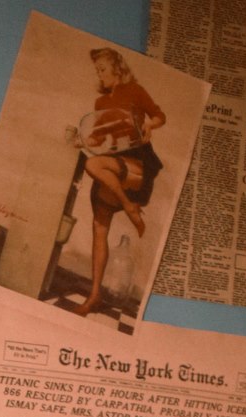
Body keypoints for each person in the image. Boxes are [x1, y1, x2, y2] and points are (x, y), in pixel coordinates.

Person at [72, 46, 165, 318]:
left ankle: (129, 205)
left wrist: (150, 125)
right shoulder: (100, 104)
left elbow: (159, 116)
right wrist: (84, 141)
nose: (99, 74)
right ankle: (94, 296)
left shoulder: (135, 90)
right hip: (112, 165)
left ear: (117, 68)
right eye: (97, 70)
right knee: (99, 228)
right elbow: (100, 141)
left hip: (136, 163)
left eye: (102, 69)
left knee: (93, 165)